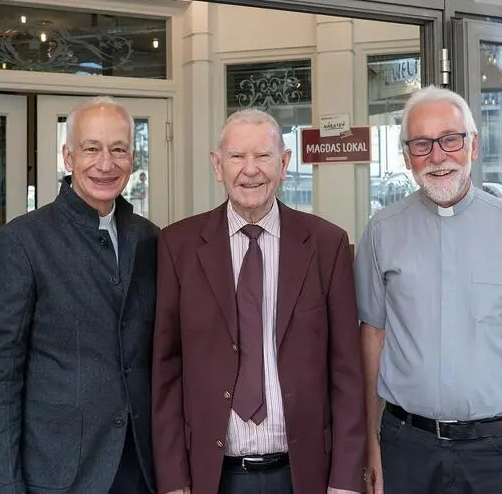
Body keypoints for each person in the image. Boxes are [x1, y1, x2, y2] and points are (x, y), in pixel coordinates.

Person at [356, 86, 502, 494]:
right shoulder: (381, 231)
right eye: (421, 144)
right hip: (408, 447)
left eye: (450, 139)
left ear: (473, 146)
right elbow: (372, 336)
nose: (437, 156)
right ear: (407, 156)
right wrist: (371, 442)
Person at [152, 109, 366, 494]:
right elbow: (166, 370)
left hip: (303, 475)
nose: (250, 170)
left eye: (263, 156)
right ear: (217, 166)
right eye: (236, 157)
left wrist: (346, 480)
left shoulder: (327, 245)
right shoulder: (177, 246)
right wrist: (172, 480)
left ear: (284, 163)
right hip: (212, 477)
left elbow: (347, 372)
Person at [0, 96, 160, 494]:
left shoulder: (150, 239)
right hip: (59, 473)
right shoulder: (21, 242)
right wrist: (5, 486)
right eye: (91, 148)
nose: (105, 163)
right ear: (68, 156)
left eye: (119, 149)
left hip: (142, 469)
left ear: (133, 157)